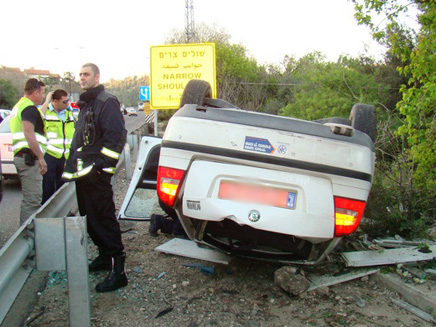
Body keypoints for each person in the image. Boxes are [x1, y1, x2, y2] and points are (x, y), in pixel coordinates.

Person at [62, 63, 127, 293]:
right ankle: (102, 257)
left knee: (104, 218)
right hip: (84, 175)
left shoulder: (106, 102)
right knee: (90, 218)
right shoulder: (87, 103)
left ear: (97, 77)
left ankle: (118, 270)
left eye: (86, 74)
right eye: (80, 75)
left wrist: (101, 167)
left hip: (96, 175)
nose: (81, 78)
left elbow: (116, 136)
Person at [10, 79, 48, 225]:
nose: (43, 97)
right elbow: (28, 132)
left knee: (30, 199)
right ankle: (27, 238)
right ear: (36, 92)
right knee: (32, 200)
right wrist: (40, 157)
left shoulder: (19, 106)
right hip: (30, 159)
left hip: (23, 157)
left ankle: (27, 237)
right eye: (42, 93)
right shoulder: (29, 108)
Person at [40, 89, 75, 204]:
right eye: (64, 102)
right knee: (48, 187)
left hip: (65, 156)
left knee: (62, 187)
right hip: (50, 155)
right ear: (55, 101)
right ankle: (47, 214)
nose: (67, 104)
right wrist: (46, 101)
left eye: (68, 101)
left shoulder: (68, 113)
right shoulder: (46, 113)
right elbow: (38, 118)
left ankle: (61, 213)